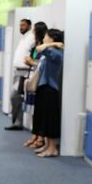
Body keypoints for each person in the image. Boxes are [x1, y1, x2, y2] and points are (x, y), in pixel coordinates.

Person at [31, 29, 64, 157]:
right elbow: (37, 51)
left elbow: (39, 48)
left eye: (46, 36)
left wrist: (52, 45)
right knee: (45, 119)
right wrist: (53, 44)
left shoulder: (56, 53)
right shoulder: (52, 50)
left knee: (51, 120)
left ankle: (53, 148)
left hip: (50, 89)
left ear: (52, 38)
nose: (44, 38)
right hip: (44, 88)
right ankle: (47, 145)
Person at [5, 18, 35, 130]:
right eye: (20, 25)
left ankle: (17, 122)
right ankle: (17, 121)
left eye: (23, 25)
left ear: (29, 26)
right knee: (15, 97)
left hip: (24, 72)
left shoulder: (31, 37)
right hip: (17, 71)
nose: (21, 27)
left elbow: (33, 53)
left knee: (15, 96)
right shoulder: (23, 38)